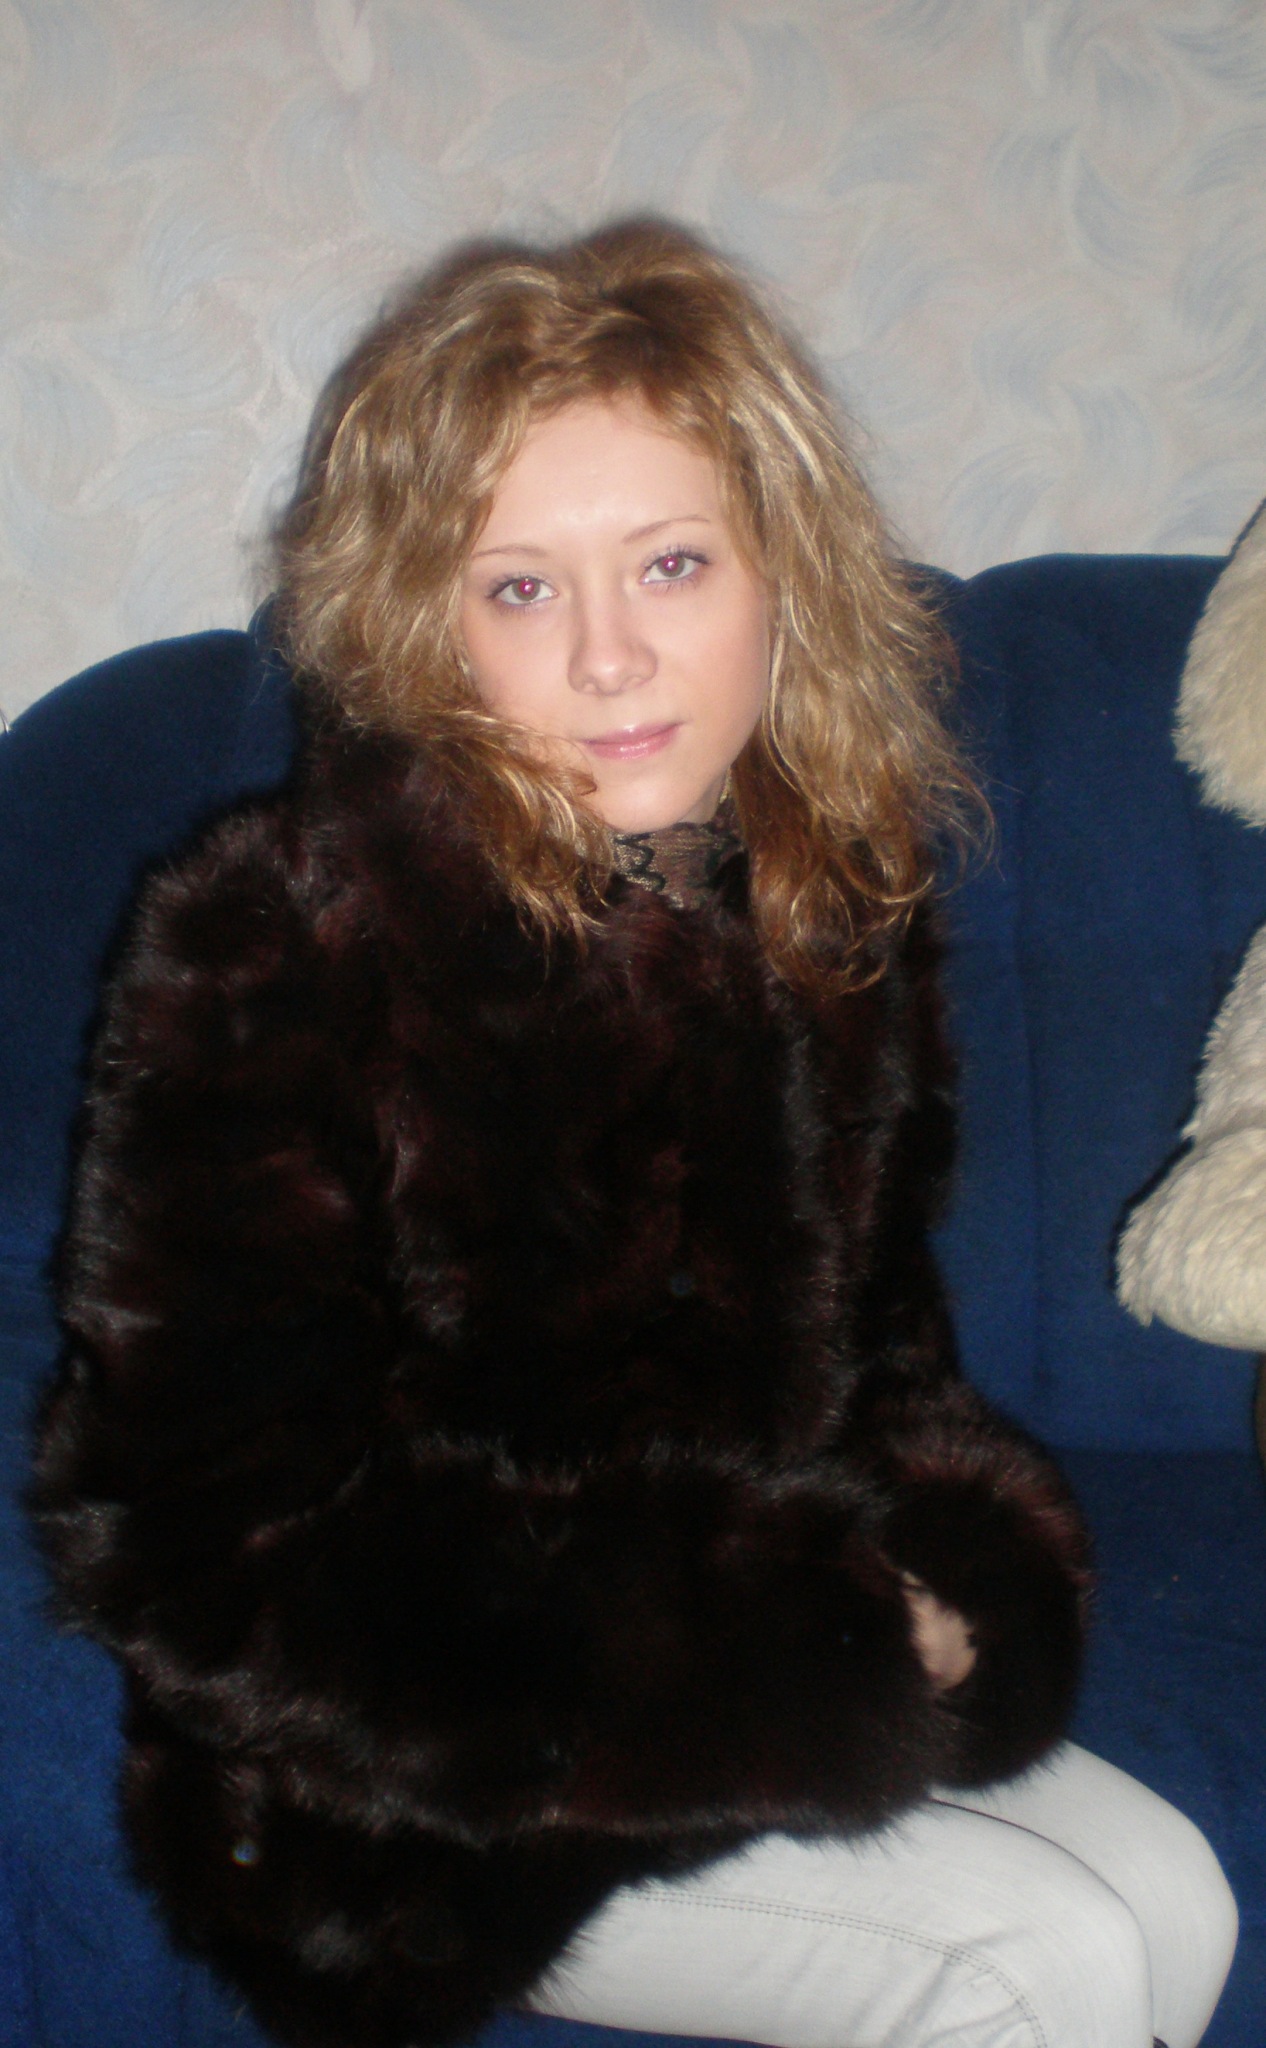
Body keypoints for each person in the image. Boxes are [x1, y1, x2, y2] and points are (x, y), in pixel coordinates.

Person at [32, 220, 1234, 2048]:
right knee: (1037, 1961)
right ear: (424, 626)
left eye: (671, 563)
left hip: (759, 1710)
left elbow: (883, 1376)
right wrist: (787, 1649)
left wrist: (957, 1585)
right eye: (519, 589)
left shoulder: (822, 917)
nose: (607, 658)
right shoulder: (280, 945)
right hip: (411, 1811)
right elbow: (193, 1543)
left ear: (782, 576)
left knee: (1171, 1895)